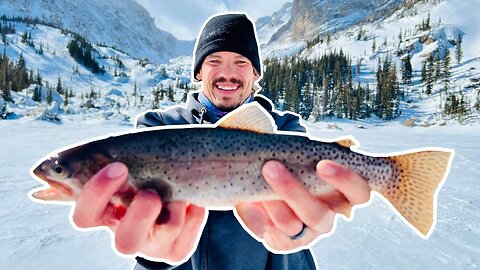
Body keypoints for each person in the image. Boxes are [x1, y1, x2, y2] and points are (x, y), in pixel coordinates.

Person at [72, 13, 371, 270]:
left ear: (255, 74)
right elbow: (144, 223)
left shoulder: (284, 130)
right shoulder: (158, 129)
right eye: (214, 60)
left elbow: (304, 207)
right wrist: (154, 257)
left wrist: (299, 229)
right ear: (199, 72)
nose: (227, 72)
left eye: (240, 62)